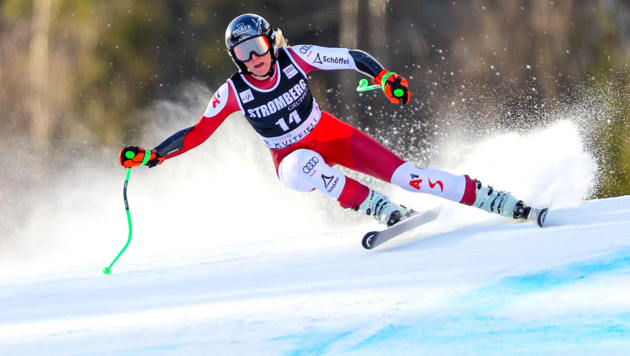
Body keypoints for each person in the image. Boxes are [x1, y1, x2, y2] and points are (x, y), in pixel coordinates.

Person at [119, 13, 543, 228]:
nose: (256, 59)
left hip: (331, 134)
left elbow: (352, 59)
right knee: (305, 167)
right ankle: (380, 209)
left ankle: (495, 199)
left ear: (271, 41)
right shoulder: (234, 92)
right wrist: (153, 155)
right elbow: (197, 133)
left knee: (411, 176)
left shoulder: (295, 58)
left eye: (260, 46)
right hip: (290, 160)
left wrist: (384, 77)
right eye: (244, 53)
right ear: (235, 59)